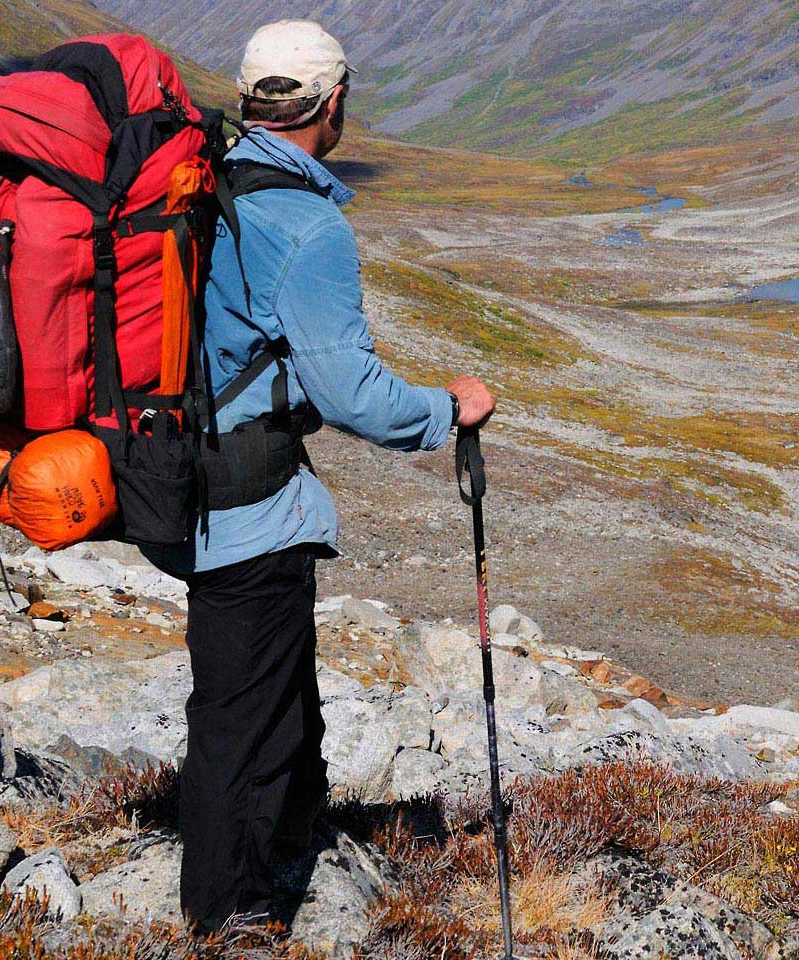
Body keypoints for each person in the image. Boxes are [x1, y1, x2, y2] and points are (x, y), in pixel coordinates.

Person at [142, 19, 496, 933]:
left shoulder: (203, 182)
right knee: (240, 725)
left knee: (276, 693)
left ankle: (297, 839)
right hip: (245, 505)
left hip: (182, 479)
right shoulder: (305, 226)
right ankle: (231, 923)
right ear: (332, 103)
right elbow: (354, 395)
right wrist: (446, 410)